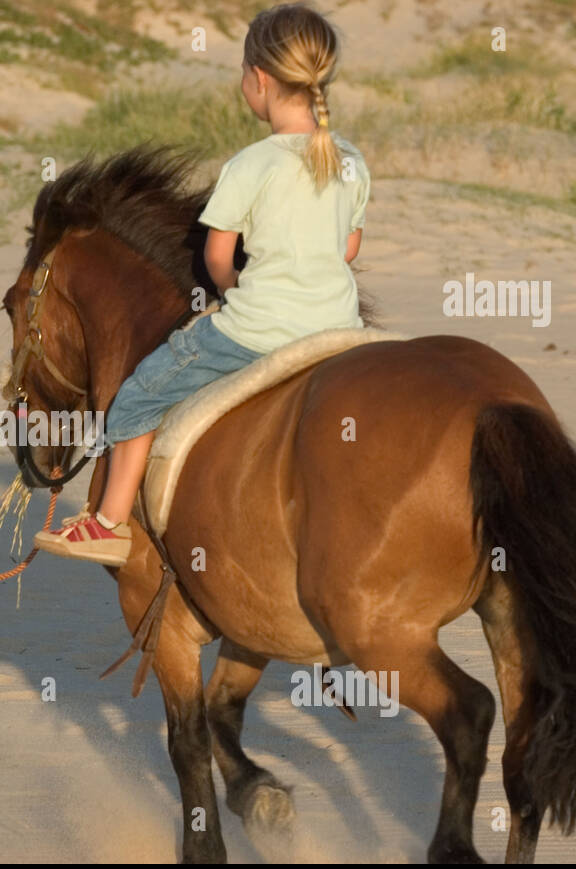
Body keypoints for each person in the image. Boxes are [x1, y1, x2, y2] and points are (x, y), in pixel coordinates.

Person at [35, 2, 371, 567]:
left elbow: (217, 259)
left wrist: (238, 285)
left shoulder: (251, 164)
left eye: (244, 74)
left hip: (259, 328)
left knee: (139, 393)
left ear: (259, 80)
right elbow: (349, 249)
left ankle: (109, 523)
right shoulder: (352, 161)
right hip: (340, 326)